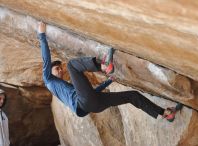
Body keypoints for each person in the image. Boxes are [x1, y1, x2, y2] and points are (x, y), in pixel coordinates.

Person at [38, 22, 178, 121]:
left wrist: (108, 82)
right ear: (49, 72)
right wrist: (42, 35)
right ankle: (104, 66)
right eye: (57, 69)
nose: (60, 71)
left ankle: (165, 113)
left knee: (133, 96)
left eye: (59, 68)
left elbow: (91, 95)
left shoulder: (66, 87)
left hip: (95, 105)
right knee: (71, 65)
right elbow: (46, 60)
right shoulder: (48, 80)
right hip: (85, 103)